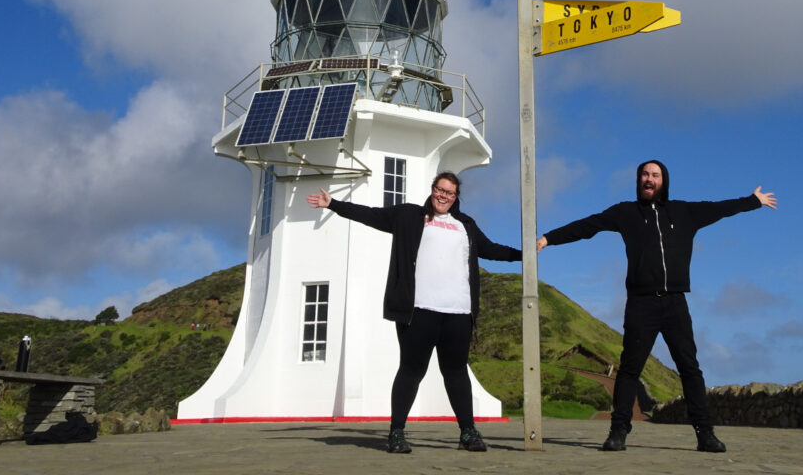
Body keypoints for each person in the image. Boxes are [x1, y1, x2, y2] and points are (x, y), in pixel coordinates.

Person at [536, 160, 777, 454]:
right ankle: (618, 431)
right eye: (644, 175)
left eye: (655, 175)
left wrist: (753, 201)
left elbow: (720, 208)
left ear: (664, 180)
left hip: (676, 303)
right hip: (641, 303)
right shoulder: (626, 213)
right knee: (629, 370)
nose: (649, 179)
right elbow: (589, 225)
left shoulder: (684, 212)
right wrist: (550, 238)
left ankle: (705, 434)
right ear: (639, 180)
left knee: (690, 369)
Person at [307, 171, 521, 454]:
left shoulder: (465, 224)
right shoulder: (408, 216)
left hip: (458, 311)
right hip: (419, 310)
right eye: (439, 189)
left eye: (450, 192)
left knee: (456, 372)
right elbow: (371, 215)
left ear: (456, 197)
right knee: (411, 370)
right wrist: (333, 204)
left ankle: (468, 432)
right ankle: (396, 433)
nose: (443, 195)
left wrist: (524, 254)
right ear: (433, 190)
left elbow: (490, 249)